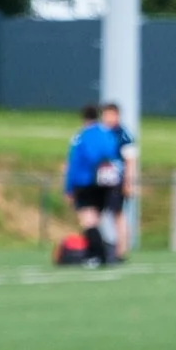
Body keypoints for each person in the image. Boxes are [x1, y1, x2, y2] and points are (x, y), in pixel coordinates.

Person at [63, 104, 125, 266]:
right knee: (95, 220)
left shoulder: (81, 136)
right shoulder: (107, 134)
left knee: (88, 221)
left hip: (85, 182)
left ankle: (99, 255)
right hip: (106, 184)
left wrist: (68, 188)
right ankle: (97, 253)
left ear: (83, 118)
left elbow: (74, 163)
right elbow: (113, 156)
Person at [99, 101, 139, 260]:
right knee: (95, 215)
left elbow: (130, 161)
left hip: (116, 181)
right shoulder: (100, 133)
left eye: (111, 114)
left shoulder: (123, 135)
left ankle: (121, 250)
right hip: (99, 181)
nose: (108, 118)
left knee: (118, 214)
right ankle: (99, 247)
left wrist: (128, 183)